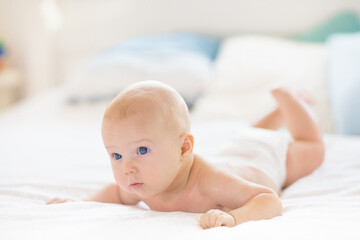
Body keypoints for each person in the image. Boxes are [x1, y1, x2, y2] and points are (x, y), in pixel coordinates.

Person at [47, 80, 325, 229]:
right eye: (116, 156)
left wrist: (234, 218)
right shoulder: (145, 182)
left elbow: (267, 198)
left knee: (311, 148)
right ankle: (278, 113)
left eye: (141, 150)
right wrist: (79, 203)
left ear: (184, 148)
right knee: (250, 135)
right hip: (238, 148)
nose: (127, 168)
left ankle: (289, 97)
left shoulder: (211, 181)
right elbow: (115, 194)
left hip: (266, 158)